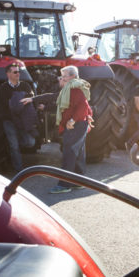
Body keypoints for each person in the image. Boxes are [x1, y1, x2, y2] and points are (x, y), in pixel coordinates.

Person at [0, 63, 47, 173]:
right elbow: (4, 105)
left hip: (23, 121)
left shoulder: (25, 86)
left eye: (19, 72)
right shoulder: (3, 88)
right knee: (14, 146)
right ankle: (19, 170)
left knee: (30, 142)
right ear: (8, 74)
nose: (18, 74)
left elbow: (30, 100)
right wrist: (19, 103)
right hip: (9, 121)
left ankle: (12, 145)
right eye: (15, 72)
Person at [51, 65, 93, 193]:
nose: (62, 79)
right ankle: (78, 181)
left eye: (64, 76)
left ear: (72, 77)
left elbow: (83, 106)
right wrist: (88, 116)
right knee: (78, 153)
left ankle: (64, 185)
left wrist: (72, 120)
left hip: (75, 126)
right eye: (61, 76)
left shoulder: (74, 88)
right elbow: (86, 107)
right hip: (79, 125)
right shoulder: (72, 88)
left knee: (69, 153)